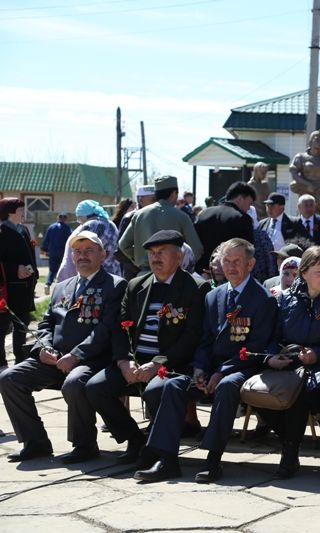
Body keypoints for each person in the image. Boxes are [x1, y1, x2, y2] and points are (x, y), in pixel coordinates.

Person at [134, 238, 279, 483]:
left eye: (237, 262)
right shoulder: (214, 296)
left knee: (226, 387)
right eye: (226, 261)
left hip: (242, 366)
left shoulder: (263, 299)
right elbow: (204, 339)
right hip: (210, 367)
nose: (231, 267)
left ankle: (213, 459)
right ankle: (166, 459)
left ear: (251, 263)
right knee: (172, 385)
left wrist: (221, 372)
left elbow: (255, 347)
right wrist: (200, 368)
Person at [85, 230, 211, 465]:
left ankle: (158, 449)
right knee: (95, 388)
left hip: (172, 363)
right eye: (152, 253)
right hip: (135, 360)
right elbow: (120, 328)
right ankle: (135, 439)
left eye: (161, 252)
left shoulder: (195, 288)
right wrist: (124, 361)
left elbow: (192, 337)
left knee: (156, 390)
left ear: (179, 256)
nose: (155, 258)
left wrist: (157, 364)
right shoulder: (136, 285)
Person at [0, 231, 127, 463]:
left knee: (73, 383)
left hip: (93, 359)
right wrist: (43, 348)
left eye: (89, 250)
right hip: (54, 358)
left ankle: (84, 445)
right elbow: (46, 323)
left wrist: (76, 355)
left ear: (103, 254)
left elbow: (106, 329)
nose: (82, 256)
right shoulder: (63, 286)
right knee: (9, 378)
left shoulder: (115, 286)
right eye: (77, 252)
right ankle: (35, 441)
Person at [258, 247, 320, 478]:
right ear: (303, 273)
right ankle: (293, 442)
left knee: (301, 393)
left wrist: (318, 354)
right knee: (258, 392)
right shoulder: (287, 299)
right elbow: (273, 337)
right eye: (318, 272)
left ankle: (289, 453)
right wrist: (272, 357)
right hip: (290, 363)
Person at [119, 176, 203, 274]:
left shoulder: (139, 215)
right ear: (173, 194)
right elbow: (197, 250)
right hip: (172, 276)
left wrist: (141, 259)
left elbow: (123, 244)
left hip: (144, 276)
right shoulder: (182, 216)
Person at [0, 198, 38, 366]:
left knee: (22, 326)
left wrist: (33, 274)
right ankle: (1, 363)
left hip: (25, 288)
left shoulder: (23, 230)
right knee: (2, 327)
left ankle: (20, 361)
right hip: (8, 289)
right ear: (10, 212)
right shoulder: (1, 231)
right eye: (20, 210)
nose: (23, 213)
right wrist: (15, 269)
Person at [193, 181, 256, 275]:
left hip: (202, 273)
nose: (248, 208)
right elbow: (246, 252)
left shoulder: (203, 214)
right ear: (240, 198)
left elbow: (195, 245)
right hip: (228, 274)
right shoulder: (243, 219)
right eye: (249, 203)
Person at [57, 199, 122, 280]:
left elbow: (79, 249)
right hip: (114, 273)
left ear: (86, 215)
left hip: (95, 275)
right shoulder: (111, 224)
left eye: (79, 217)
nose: (79, 221)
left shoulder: (91, 225)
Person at [40, 213, 72, 295]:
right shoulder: (67, 228)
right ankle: (61, 287)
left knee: (52, 270)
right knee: (63, 269)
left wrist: (44, 249)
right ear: (65, 219)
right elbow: (71, 240)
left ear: (58, 218)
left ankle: (48, 284)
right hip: (63, 253)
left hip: (53, 252)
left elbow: (46, 239)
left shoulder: (51, 227)